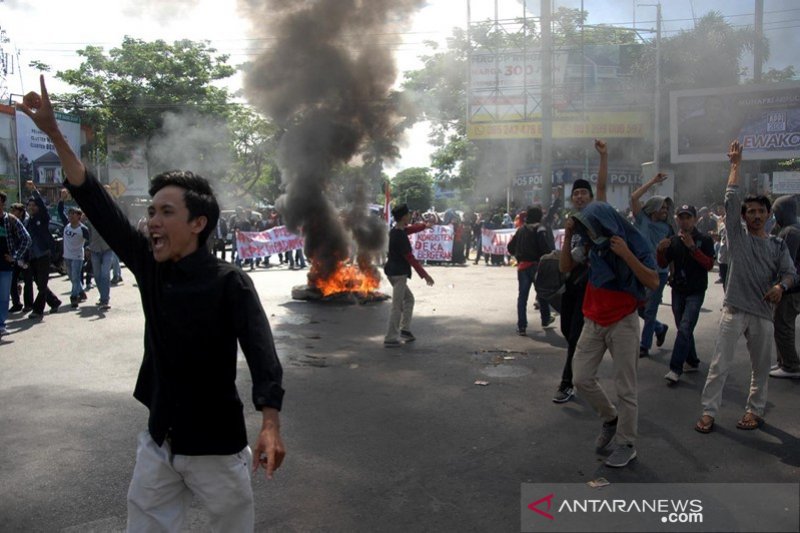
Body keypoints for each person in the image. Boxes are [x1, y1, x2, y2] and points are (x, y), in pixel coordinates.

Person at [19, 75, 286, 532]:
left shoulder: (230, 283)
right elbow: (96, 200)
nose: (153, 221)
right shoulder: (150, 264)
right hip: (159, 441)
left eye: (166, 212)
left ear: (198, 222)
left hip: (217, 450)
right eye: (151, 212)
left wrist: (270, 424)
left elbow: (262, 354)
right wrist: (54, 133)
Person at [695, 140, 796, 434]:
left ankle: (755, 411)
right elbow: (730, 198)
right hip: (734, 310)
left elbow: (790, 273)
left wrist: (781, 286)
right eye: (749, 211)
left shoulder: (777, 244)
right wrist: (735, 165)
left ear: (768, 215)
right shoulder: (738, 239)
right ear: (743, 216)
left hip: (763, 314)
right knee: (719, 366)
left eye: (759, 211)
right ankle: (708, 411)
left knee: (760, 369)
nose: (754, 215)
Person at [569, 200, 659, 468]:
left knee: (626, 390)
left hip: (623, 322)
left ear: (606, 226)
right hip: (593, 320)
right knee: (581, 378)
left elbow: (653, 281)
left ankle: (626, 444)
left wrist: (626, 255)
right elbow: (565, 265)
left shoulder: (633, 241)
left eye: (594, 228)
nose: (590, 233)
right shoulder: (591, 245)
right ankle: (610, 418)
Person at [553, 139, 608, 404]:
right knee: (566, 329)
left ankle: (567, 383)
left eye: (583, 193)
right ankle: (584, 372)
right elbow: (566, 260)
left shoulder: (597, 214)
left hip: (590, 286)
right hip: (571, 285)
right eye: (576, 193)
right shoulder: (571, 221)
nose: (579, 196)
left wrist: (603, 157)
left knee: (574, 335)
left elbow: (601, 186)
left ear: (590, 197)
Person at [656, 204, 715, 384]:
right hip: (678, 290)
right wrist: (660, 250)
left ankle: (675, 368)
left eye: (688, 217)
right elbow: (664, 264)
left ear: (695, 219)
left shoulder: (704, 239)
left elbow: (709, 265)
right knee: (683, 327)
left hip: (695, 291)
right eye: (681, 217)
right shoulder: (673, 240)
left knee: (685, 327)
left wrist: (693, 249)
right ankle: (692, 359)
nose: (684, 221)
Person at [630, 173, 674, 358]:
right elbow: (633, 197)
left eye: (666, 207)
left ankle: (644, 345)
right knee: (638, 306)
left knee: (650, 309)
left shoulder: (669, 228)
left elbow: (672, 254)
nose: (664, 210)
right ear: (653, 208)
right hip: (639, 271)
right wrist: (653, 181)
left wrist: (672, 272)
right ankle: (659, 327)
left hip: (659, 274)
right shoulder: (642, 220)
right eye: (661, 206)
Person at [383, 203, 434, 347]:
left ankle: (404, 330)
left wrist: (424, 226)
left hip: (392, 272)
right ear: (404, 216)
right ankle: (391, 337)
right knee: (397, 305)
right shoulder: (400, 236)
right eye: (409, 214)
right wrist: (425, 275)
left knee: (409, 299)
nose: (410, 216)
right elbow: (410, 258)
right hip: (398, 274)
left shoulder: (396, 231)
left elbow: (410, 229)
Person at [507, 205, 554, 336]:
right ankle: (545, 319)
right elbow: (545, 247)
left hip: (522, 267)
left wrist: (519, 254)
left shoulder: (520, 229)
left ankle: (522, 326)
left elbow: (510, 247)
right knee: (542, 294)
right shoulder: (540, 228)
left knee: (522, 297)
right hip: (537, 266)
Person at [769, 195, 800, 379]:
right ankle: (784, 361)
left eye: (776, 212)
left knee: (783, 325)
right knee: (782, 324)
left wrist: (780, 285)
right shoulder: (791, 228)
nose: (774, 216)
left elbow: (786, 261)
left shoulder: (791, 232)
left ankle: (790, 365)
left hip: (791, 288)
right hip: (792, 286)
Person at [23, 181, 62, 319]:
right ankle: (54, 301)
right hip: (32, 256)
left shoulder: (42, 218)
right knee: (40, 284)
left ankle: (37, 310)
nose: (32, 207)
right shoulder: (27, 222)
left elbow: (43, 208)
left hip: (44, 254)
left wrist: (34, 191)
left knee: (42, 282)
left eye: (34, 205)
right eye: (30, 205)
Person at [0, 191, 32, 338]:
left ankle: (1, 324)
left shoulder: (10, 220)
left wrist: (15, 256)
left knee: (4, 297)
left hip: (5, 266)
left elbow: (26, 238)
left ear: (2, 203)